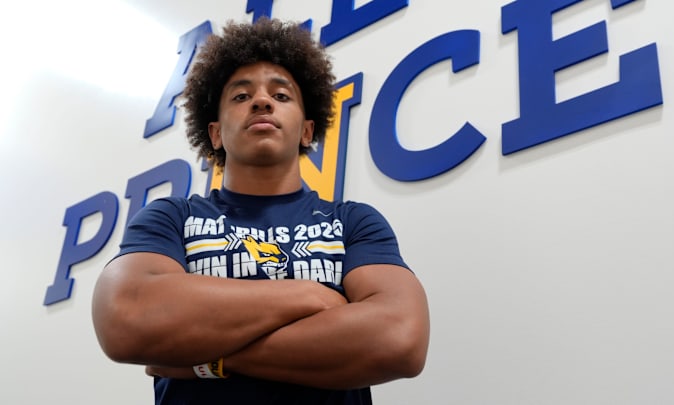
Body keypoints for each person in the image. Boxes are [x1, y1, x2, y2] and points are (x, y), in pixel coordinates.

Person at [91, 17, 430, 405]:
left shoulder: (353, 222)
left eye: (281, 96)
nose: (262, 101)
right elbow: (126, 317)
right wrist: (311, 295)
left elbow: (399, 338)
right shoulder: (171, 218)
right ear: (215, 133)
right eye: (240, 96)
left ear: (306, 131)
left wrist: (206, 360)